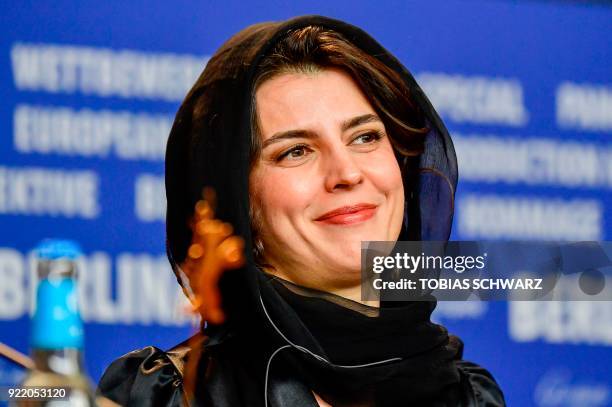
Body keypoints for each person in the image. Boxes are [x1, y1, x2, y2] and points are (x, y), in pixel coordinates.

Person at [98, 15, 506, 406]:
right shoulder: (173, 394)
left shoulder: (466, 395)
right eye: (296, 151)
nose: (346, 172)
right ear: (239, 206)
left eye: (365, 137)